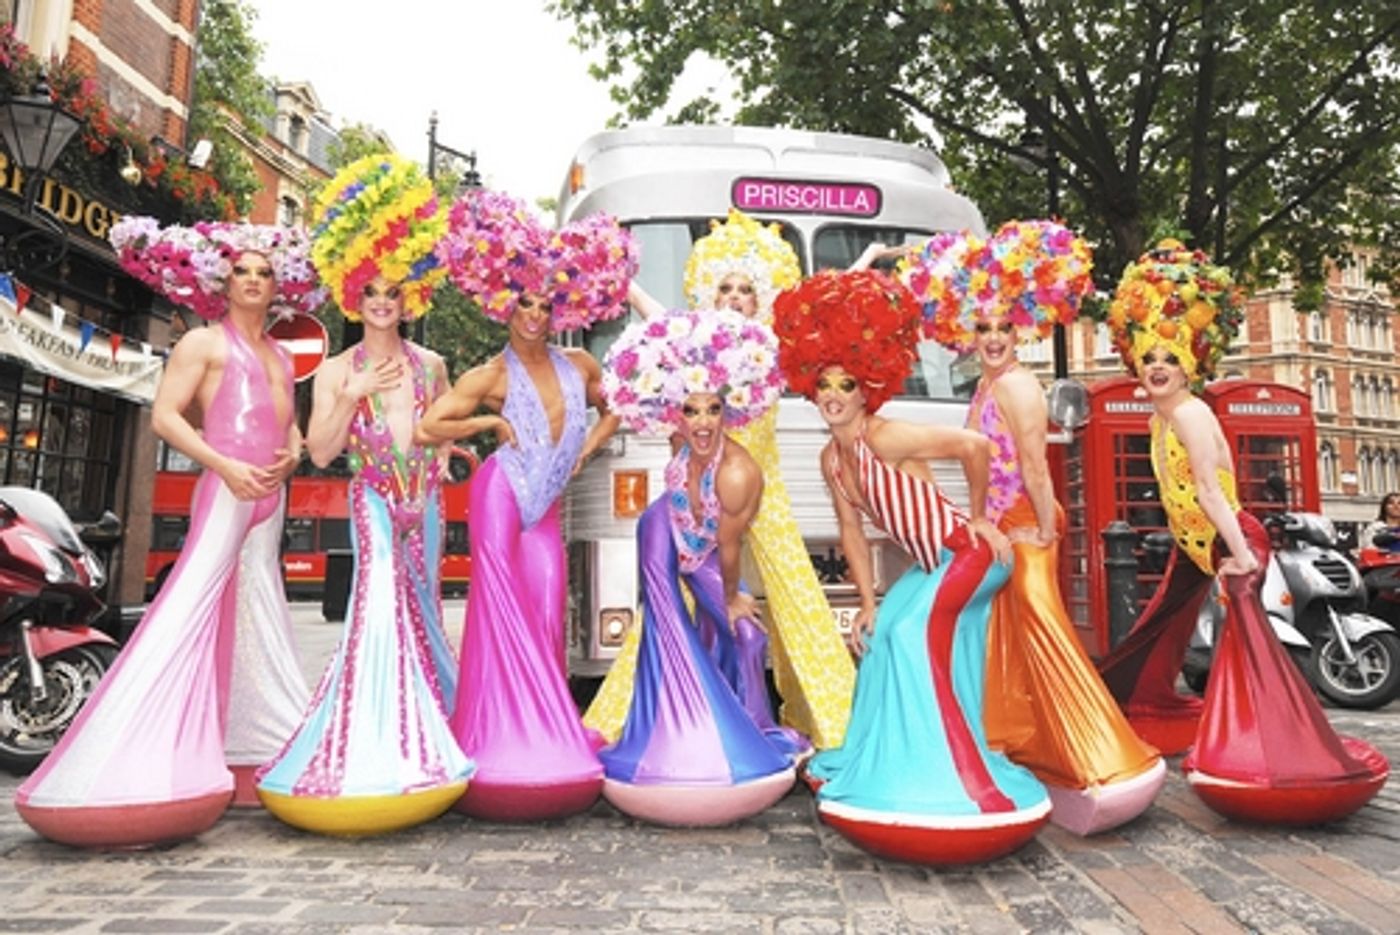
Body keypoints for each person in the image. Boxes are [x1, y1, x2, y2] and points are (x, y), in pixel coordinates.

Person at [16, 219, 322, 848]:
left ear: (277, 285)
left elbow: (290, 426)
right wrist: (225, 465)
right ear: (224, 282)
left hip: (269, 495)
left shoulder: (285, 356)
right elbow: (163, 418)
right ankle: (127, 756)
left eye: (265, 273)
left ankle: (257, 746)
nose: (255, 281)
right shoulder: (204, 344)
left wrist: (292, 455)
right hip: (227, 490)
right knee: (184, 612)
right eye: (243, 271)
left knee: (263, 622)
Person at [1099, 240, 1387, 823]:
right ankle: (1129, 717)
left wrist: (1242, 558)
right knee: (1154, 637)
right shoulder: (1164, 415)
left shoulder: (1189, 412)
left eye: (1171, 359)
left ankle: (1269, 750)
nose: (1158, 366)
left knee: (1250, 649)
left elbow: (1212, 490)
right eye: (1150, 356)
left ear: (1190, 367)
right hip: (1196, 545)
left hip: (1228, 540)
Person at [774, 269, 1049, 865]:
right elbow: (851, 530)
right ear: (809, 389)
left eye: (845, 384)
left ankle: (954, 777)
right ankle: (884, 758)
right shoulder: (832, 459)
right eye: (823, 385)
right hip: (935, 565)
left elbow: (973, 448)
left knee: (911, 636)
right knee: (878, 636)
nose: (833, 395)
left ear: (865, 389)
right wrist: (867, 601)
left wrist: (980, 519)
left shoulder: (886, 434)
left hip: (972, 555)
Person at [901, 221, 1163, 835]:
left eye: (1004, 329)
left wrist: (1042, 533)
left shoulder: (1018, 385)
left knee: (1048, 637)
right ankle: (1028, 749)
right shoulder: (991, 383)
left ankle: (1103, 761)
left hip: (1026, 530)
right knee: (1009, 645)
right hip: (1004, 530)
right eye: (984, 329)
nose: (993, 339)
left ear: (1024, 331)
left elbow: (1034, 469)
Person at [255, 154, 473, 836]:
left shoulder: (432, 365)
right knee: (378, 609)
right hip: (373, 500)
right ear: (356, 295)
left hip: (426, 504)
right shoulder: (336, 370)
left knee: (425, 614)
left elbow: (438, 429)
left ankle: (442, 728)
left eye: (394, 290)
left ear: (412, 297)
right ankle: (373, 739)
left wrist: (452, 448)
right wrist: (349, 397)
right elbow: (319, 452)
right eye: (372, 290)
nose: (383, 300)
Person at [589, 209, 854, 752]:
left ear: (763, 299)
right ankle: (628, 719)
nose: (735, 297)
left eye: (747, 290)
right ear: (711, 292)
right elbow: (651, 315)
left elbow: (826, 308)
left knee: (801, 602)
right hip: (698, 497)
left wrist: (870, 261)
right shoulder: (698, 350)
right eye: (726, 287)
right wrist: (611, 270)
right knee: (671, 607)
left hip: (765, 492)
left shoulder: (774, 346)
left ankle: (840, 730)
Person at [414, 189, 634, 821]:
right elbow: (429, 427)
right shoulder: (491, 375)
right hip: (502, 493)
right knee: (500, 607)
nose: (535, 315)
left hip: (549, 506)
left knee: (545, 607)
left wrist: (589, 448)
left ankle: (544, 730)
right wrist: (489, 426)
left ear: (556, 309)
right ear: (505, 311)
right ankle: (494, 734)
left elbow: (617, 402)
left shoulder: (581, 361)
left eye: (544, 304)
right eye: (524, 305)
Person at [596, 307, 797, 825]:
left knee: (747, 636)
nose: (703, 422)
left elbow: (728, 551)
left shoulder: (735, 473)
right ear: (678, 416)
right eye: (692, 410)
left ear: (728, 414)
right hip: (662, 531)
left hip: (707, 553)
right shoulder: (682, 441)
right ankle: (665, 728)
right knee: (667, 623)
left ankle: (749, 727)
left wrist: (730, 599)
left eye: (713, 410)